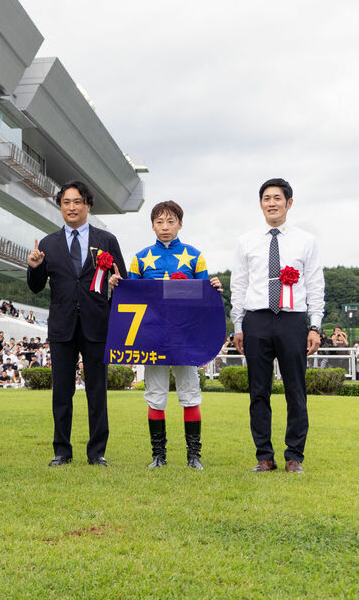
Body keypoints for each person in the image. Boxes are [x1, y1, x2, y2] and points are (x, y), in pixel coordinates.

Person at [27, 180, 126, 467]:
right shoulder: (47, 244)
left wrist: (116, 283)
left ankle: (97, 452)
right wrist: (33, 267)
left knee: (97, 391)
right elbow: (35, 287)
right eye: (66, 202)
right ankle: (62, 451)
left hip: (97, 325)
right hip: (62, 326)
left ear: (88, 205)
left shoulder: (106, 240)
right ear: (60, 206)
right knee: (62, 392)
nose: (72, 207)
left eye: (77, 202)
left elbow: (124, 282)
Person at [231, 178, 324, 474]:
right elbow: (239, 285)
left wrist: (315, 325)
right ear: (260, 204)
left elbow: (315, 284)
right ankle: (264, 456)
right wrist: (238, 325)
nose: (272, 203)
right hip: (256, 319)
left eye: (277, 198)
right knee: (259, 391)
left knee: (295, 390)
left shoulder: (306, 241)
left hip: (292, 320)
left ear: (289, 203)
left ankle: (294, 455)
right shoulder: (246, 241)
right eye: (266, 198)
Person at [127, 200, 223, 470]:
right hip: (153, 336)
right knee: (155, 394)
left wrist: (213, 286)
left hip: (185, 338)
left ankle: (194, 456)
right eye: (159, 222)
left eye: (170, 221)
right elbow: (130, 297)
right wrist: (116, 284)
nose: (165, 227)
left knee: (190, 394)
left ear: (180, 223)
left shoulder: (195, 255)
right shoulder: (139, 257)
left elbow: (204, 296)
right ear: (152, 225)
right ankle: (158, 456)